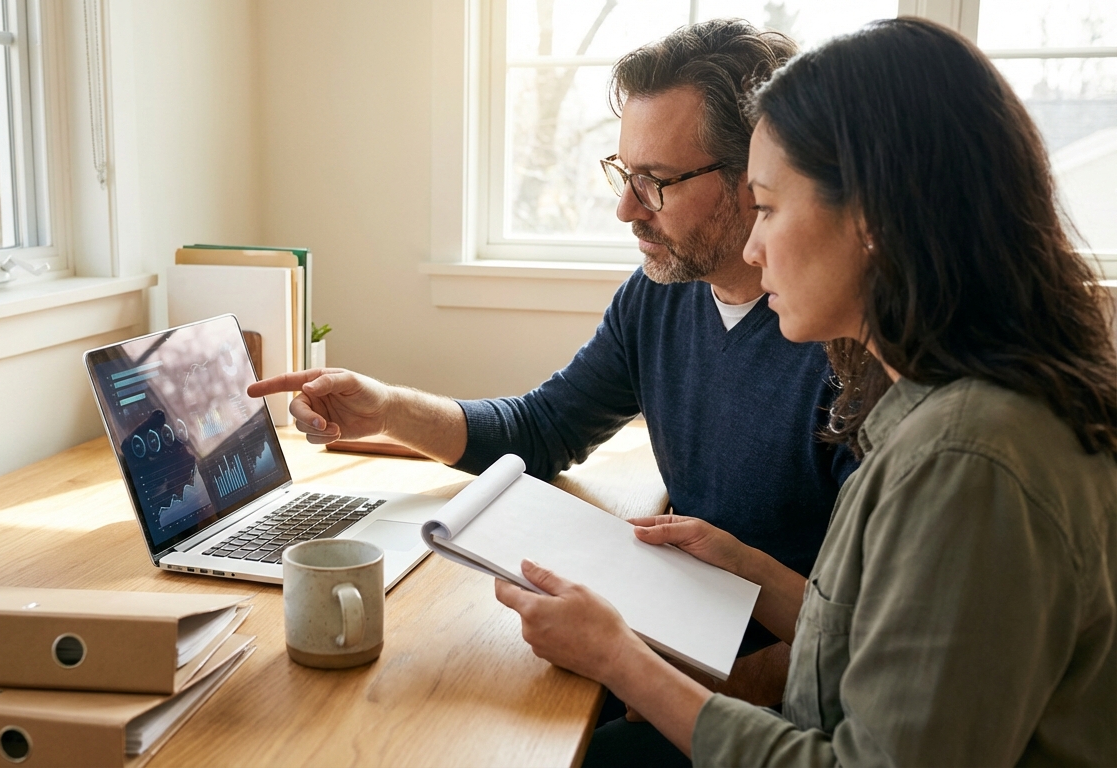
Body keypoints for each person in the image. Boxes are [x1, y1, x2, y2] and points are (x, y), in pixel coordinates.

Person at [495, 17, 1117, 766]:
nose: (754, 247)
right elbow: (871, 642)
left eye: (767, 207)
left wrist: (621, 660)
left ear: (875, 221)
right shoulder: (933, 408)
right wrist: (748, 569)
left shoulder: (967, 460)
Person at [250, 21, 857, 722]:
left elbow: (866, 642)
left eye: (656, 182)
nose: (625, 209)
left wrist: (654, 691)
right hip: (672, 656)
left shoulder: (846, 348)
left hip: (766, 712)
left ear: (755, 177)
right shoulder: (657, 297)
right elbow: (542, 429)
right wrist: (387, 409)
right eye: (624, 174)